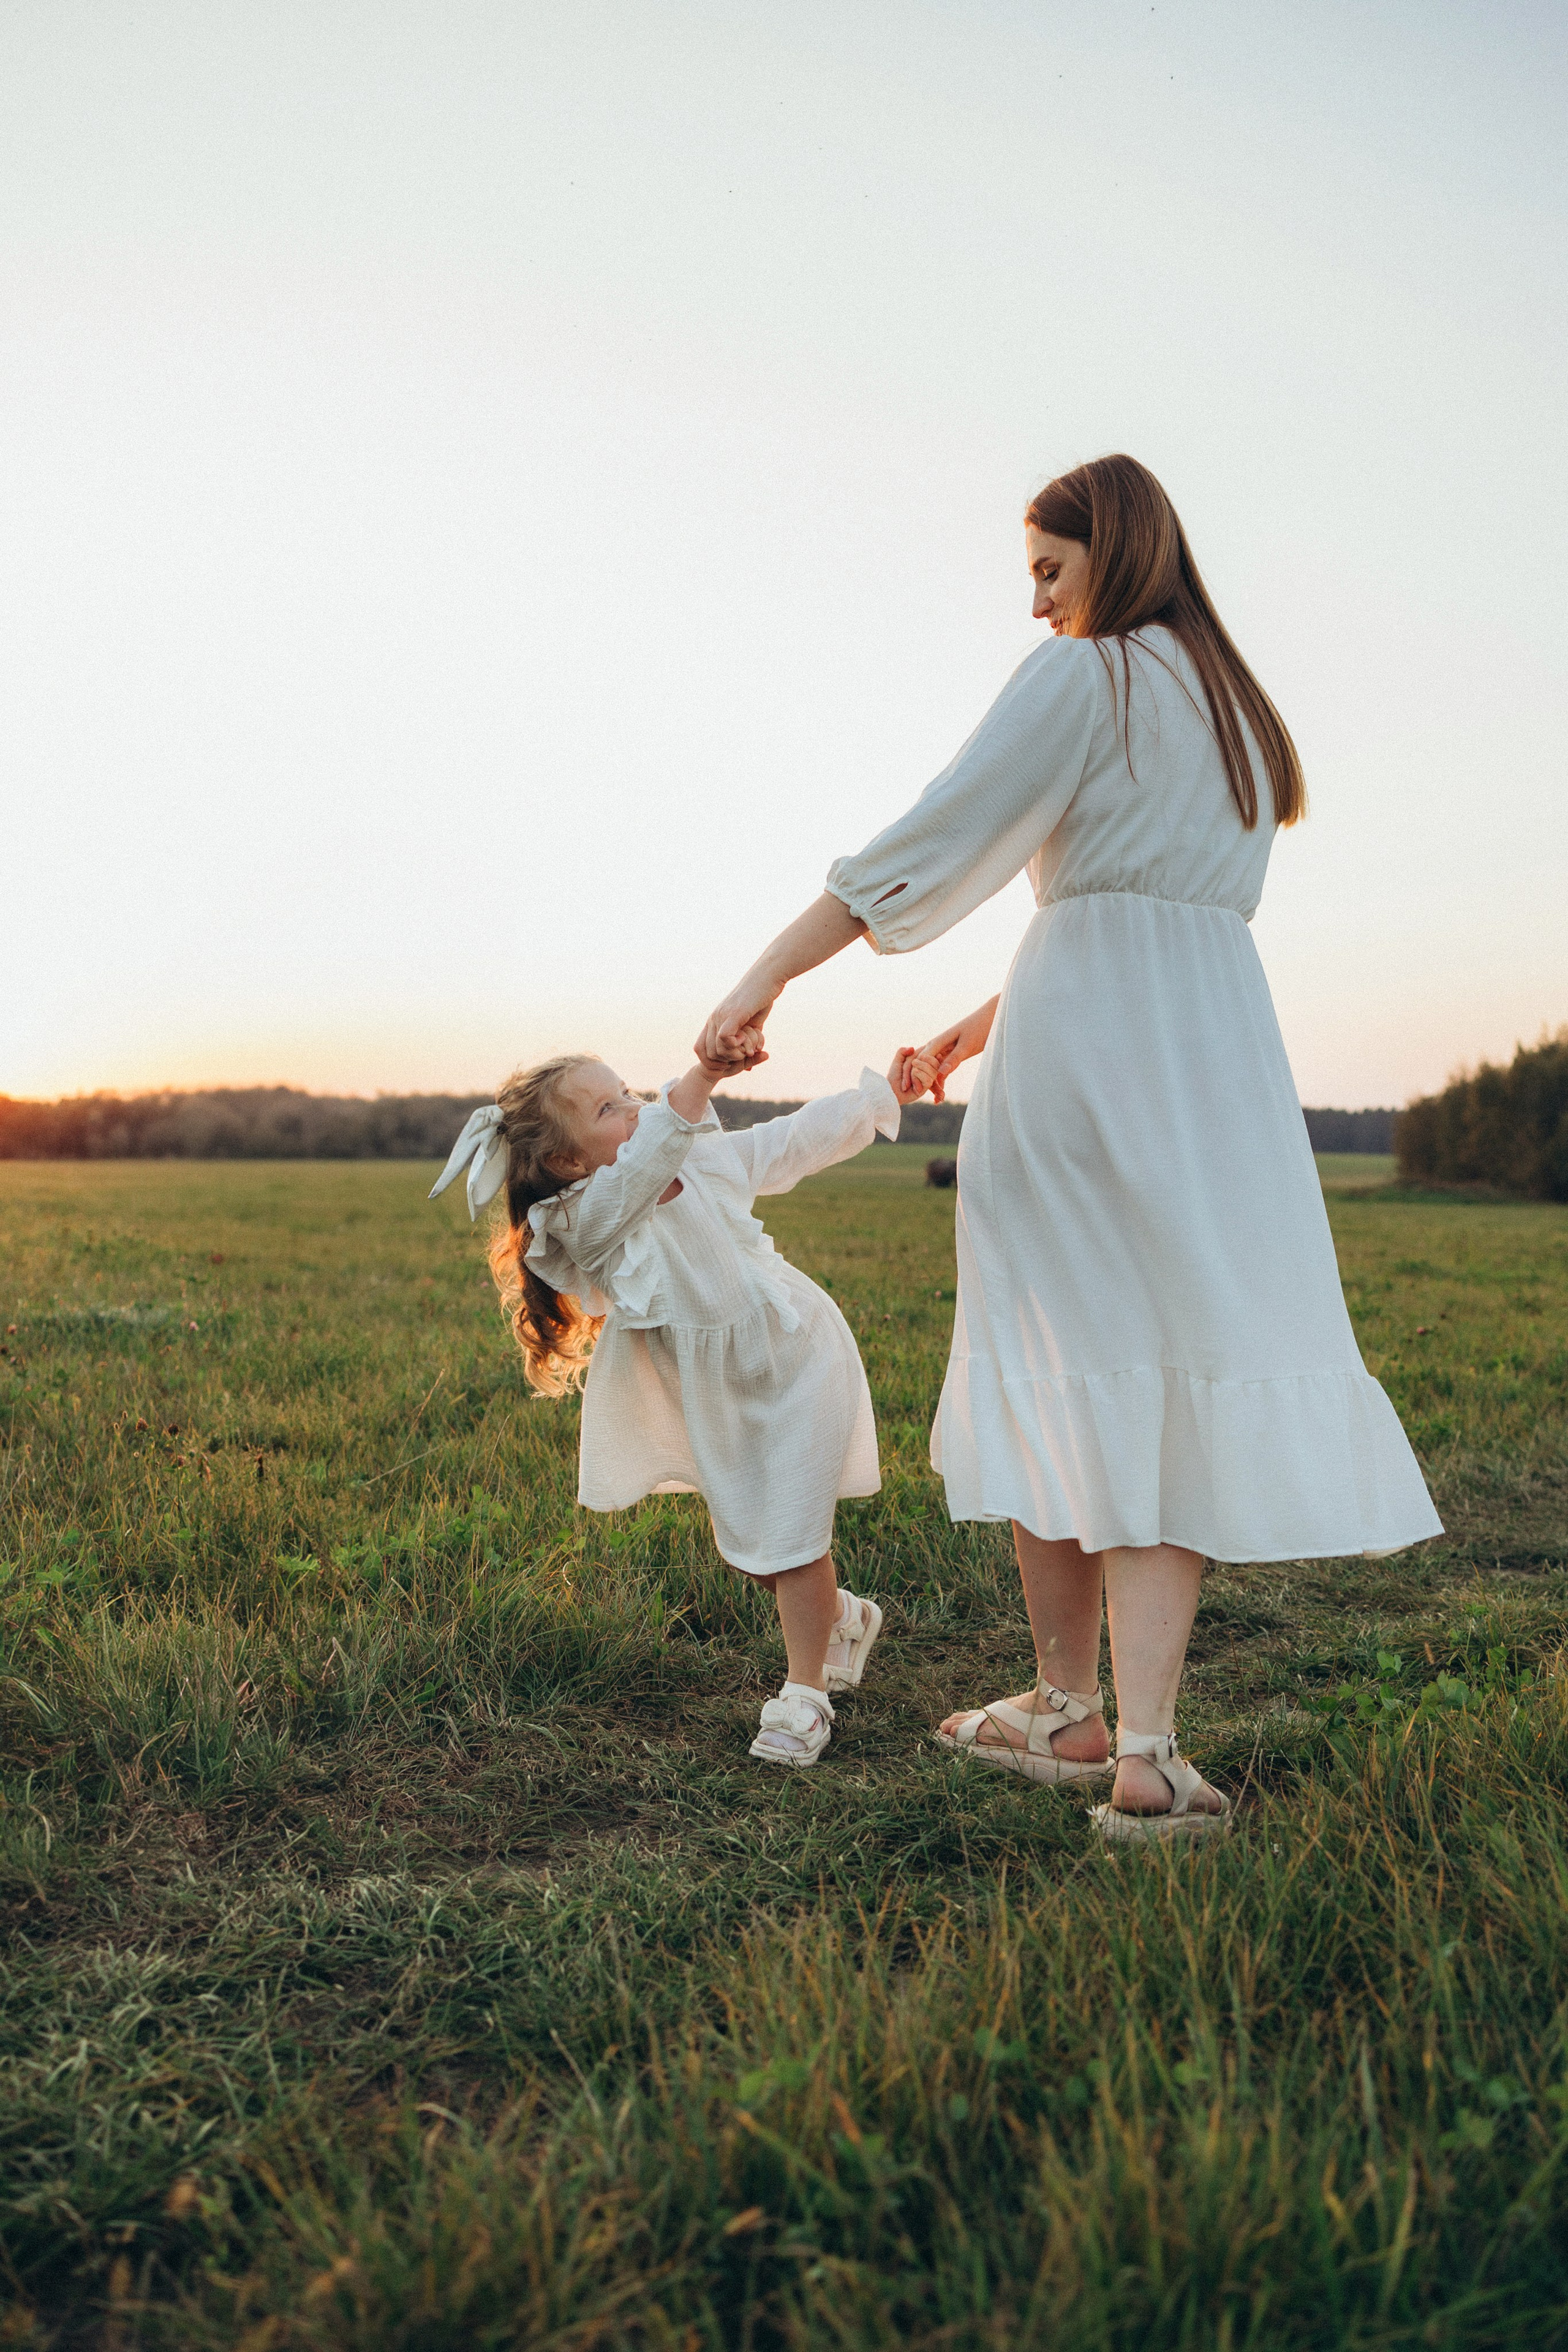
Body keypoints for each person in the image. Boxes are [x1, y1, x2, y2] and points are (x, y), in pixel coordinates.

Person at [700, 452, 1441, 1841]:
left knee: (1055, 1355)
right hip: (1215, 1068)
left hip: (1081, 1074)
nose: (1036, 602)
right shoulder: (1237, 711)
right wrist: (980, 1026)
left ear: (1114, 551)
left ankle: (1062, 1703)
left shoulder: (1085, 675)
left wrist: (764, 977)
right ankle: (1139, 1749)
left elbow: (928, 841)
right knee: (1164, 1370)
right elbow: (1148, 908)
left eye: (1049, 569)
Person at [430, 1046, 925, 1768]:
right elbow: (639, 1169)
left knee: (791, 1540)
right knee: (752, 1547)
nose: (635, 1108)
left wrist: (879, 1098)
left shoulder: (698, 1157)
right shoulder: (582, 1215)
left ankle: (804, 1694)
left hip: (798, 1355)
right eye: (608, 1109)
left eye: (628, 1092)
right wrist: (701, 1077)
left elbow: (787, 1142)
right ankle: (840, 1616)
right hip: (714, 1393)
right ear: (567, 1161)